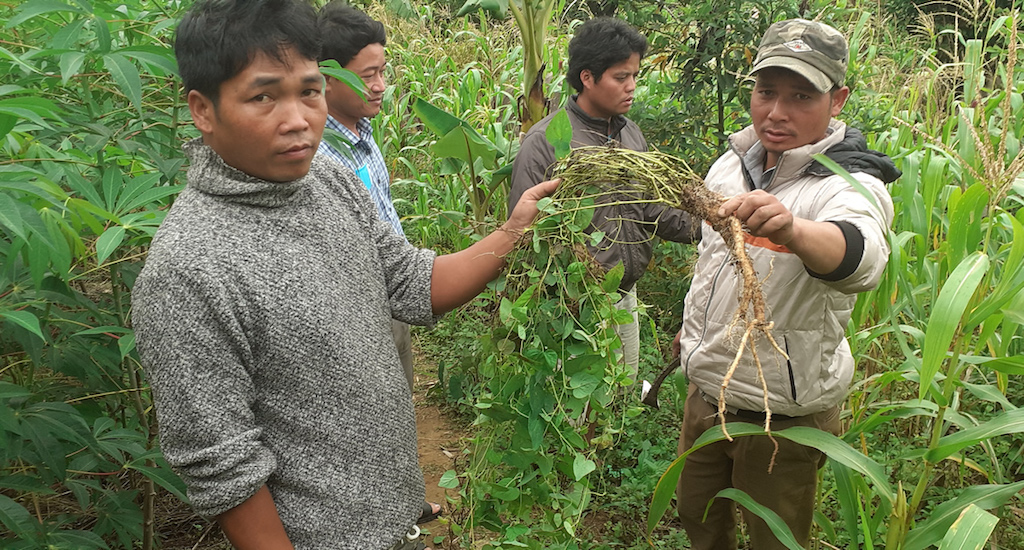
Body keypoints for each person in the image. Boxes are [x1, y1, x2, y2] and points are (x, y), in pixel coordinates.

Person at [129, 1, 556, 549]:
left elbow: (408, 280)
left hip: (397, 523)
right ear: (202, 109)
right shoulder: (187, 268)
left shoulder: (329, 177)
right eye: (263, 96)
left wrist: (513, 232)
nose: (297, 119)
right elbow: (223, 466)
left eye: (309, 91)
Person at [671, 18, 900, 550]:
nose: (777, 112)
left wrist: (795, 230)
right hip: (709, 393)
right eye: (766, 92)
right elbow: (711, 265)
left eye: (801, 96)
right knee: (697, 517)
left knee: (775, 537)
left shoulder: (849, 183)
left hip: (783, 418)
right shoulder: (732, 163)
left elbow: (860, 257)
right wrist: (691, 336)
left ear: (837, 99)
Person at [509, 17, 697, 382]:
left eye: (635, 76)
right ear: (587, 77)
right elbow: (524, 236)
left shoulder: (631, 136)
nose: (631, 87)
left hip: (623, 298)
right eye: (620, 77)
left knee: (619, 397)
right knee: (576, 410)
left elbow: (650, 209)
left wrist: (709, 223)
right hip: (573, 309)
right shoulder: (546, 142)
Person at [315, 2, 440, 525]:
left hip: (393, 294)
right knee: (365, 416)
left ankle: (406, 503)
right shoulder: (318, 154)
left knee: (397, 404)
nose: (381, 85)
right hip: (356, 308)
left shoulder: (362, 137)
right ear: (327, 74)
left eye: (384, 72)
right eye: (369, 74)